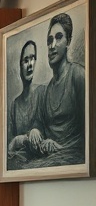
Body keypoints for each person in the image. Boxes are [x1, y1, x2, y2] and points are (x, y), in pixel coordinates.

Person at [29, 12, 86, 166]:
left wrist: (62, 147)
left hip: (73, 158)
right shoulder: (46, 90)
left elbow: (89, 129)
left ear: (68, 41)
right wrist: (36, 131)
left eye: (59, 37)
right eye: (49, 40)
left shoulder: (78, 75)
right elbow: (38, 122)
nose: (52, 46)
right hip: (50, 159)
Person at [6, 40, 44, 168]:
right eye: (26, 60)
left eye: (33, 58)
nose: (30, 65)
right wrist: (21, 139)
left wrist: (36, 131)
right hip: (19, 163)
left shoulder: (42, 92)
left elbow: (51, 129)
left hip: (40, 162)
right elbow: (9, 146)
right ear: (20, 66)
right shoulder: (15, 105)